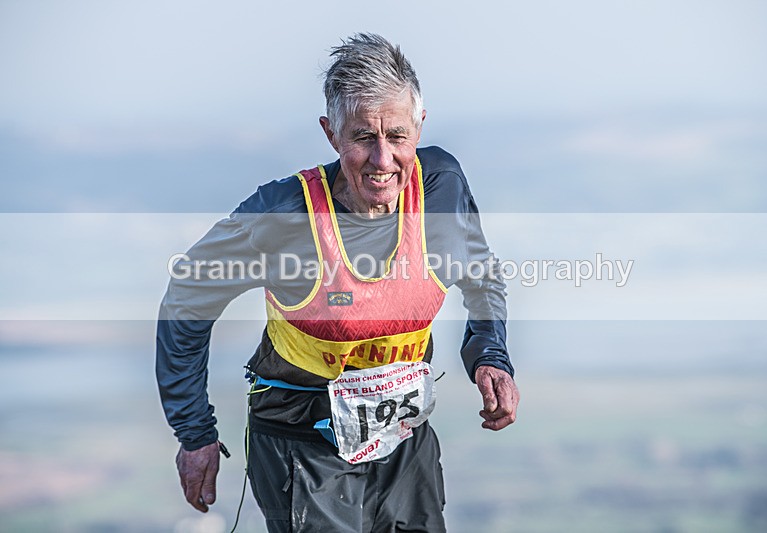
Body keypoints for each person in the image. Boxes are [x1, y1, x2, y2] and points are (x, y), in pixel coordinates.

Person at [157, 33, 519, 532]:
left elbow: (482, 273)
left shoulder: (441, 187)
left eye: (397, 137)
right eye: (363, 138)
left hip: (403, 439)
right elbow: (187, 297)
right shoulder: (283, 214)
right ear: (331, 134)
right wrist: (194, 432)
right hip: (300, 446)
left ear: (419, 127)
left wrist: (490, 355)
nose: (383, 160)